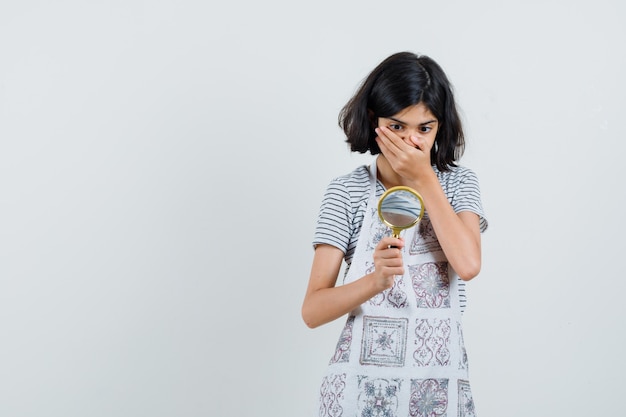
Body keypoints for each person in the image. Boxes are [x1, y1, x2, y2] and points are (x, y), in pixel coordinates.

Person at [301, 51, 488, 417]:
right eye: (397, 126)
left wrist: (423, 178)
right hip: (356, 394)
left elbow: (467, 265)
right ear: (374, 120)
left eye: (424, 128)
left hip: (440, 393)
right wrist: (375, 280)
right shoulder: (348, 192)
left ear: (440, 126)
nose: (411, 142)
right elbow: (312, 310)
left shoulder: (459, 185)